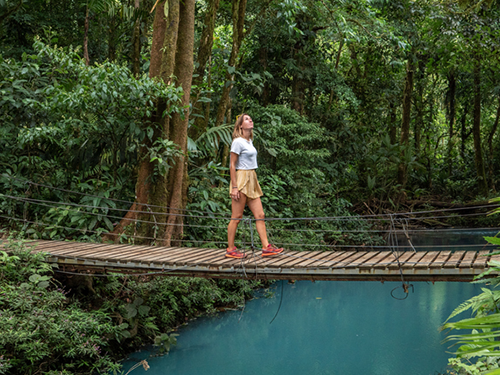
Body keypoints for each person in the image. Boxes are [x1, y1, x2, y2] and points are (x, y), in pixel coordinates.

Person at [226, 113, 284, 259]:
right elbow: (232, 165)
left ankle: (266, 247)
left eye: (251, 118)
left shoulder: (249, 141)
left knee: (260, 215)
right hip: (241, 178)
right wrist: (234, 187)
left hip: (252, 177)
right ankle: (230, 249)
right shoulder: (237, 142)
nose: (250, 120)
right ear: (240, 125)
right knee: (237, 216)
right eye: (246, 119)